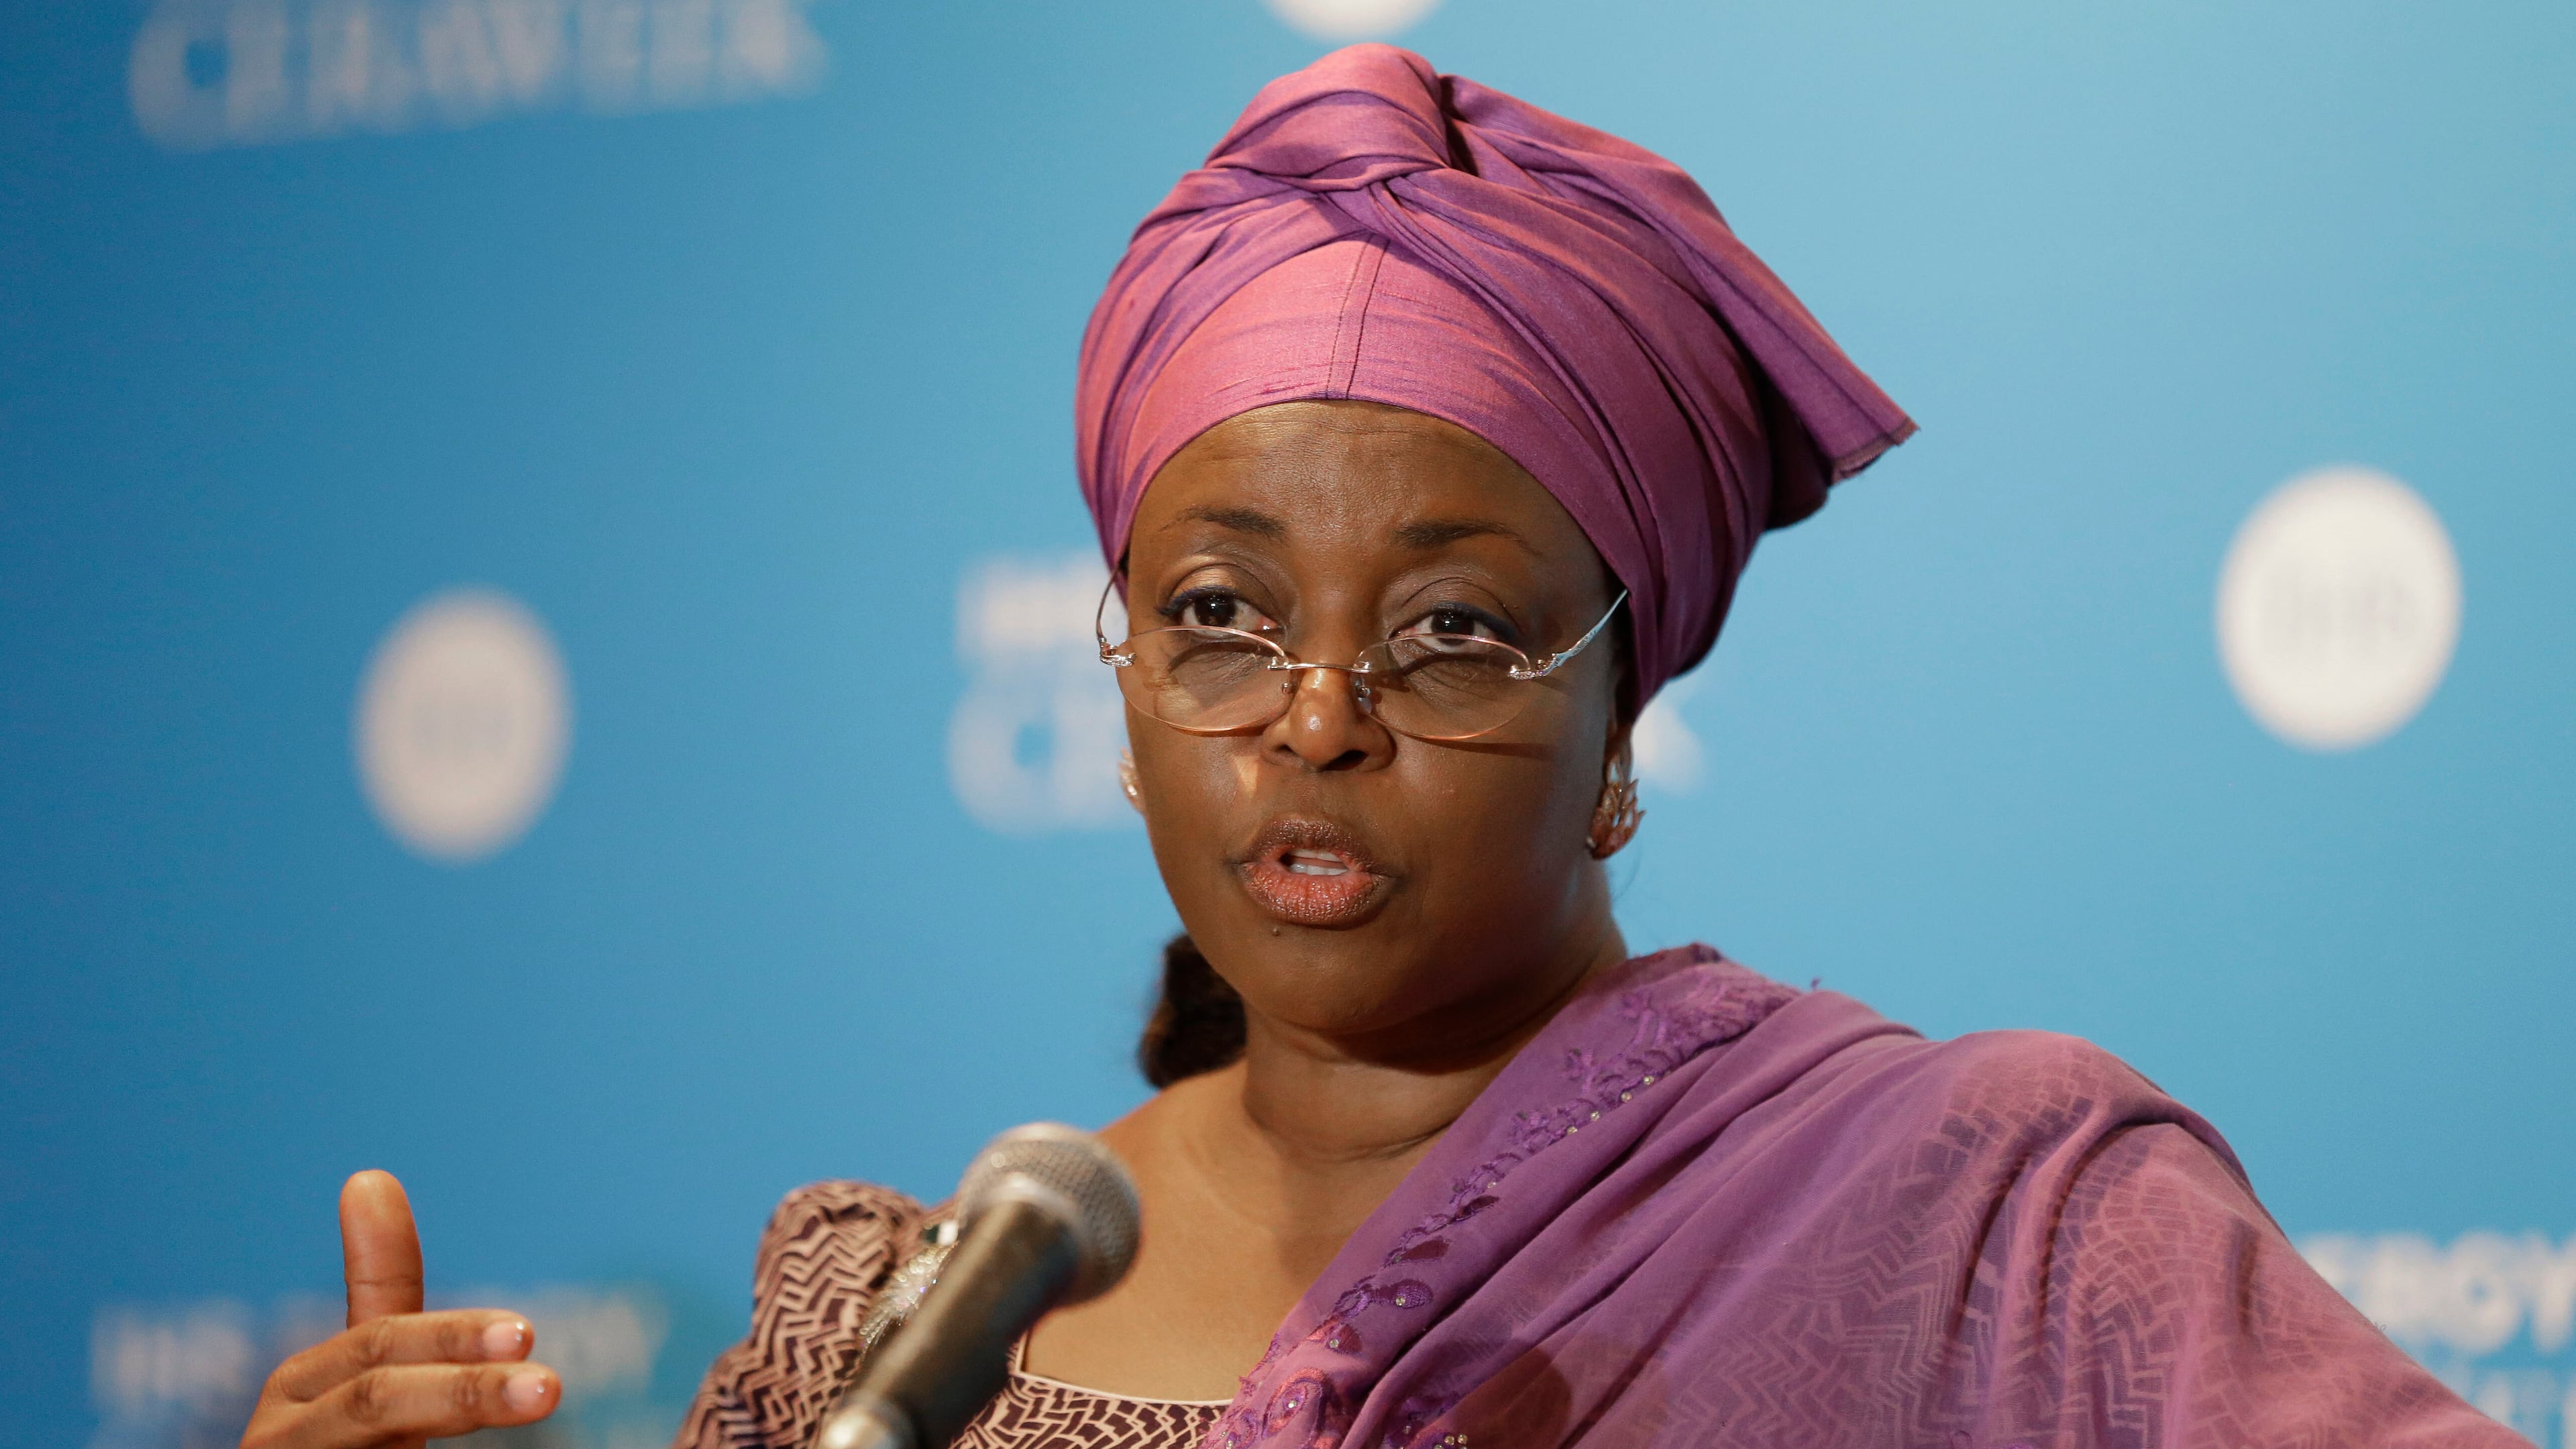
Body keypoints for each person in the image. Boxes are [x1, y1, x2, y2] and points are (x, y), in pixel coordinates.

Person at [239, 44, 2524, 1449]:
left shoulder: (1987, 1224)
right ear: (1119, 687)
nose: (1316, 722)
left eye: (1450, 636)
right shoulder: (895, 1327)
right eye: (1220, 617)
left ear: (1624, 710)